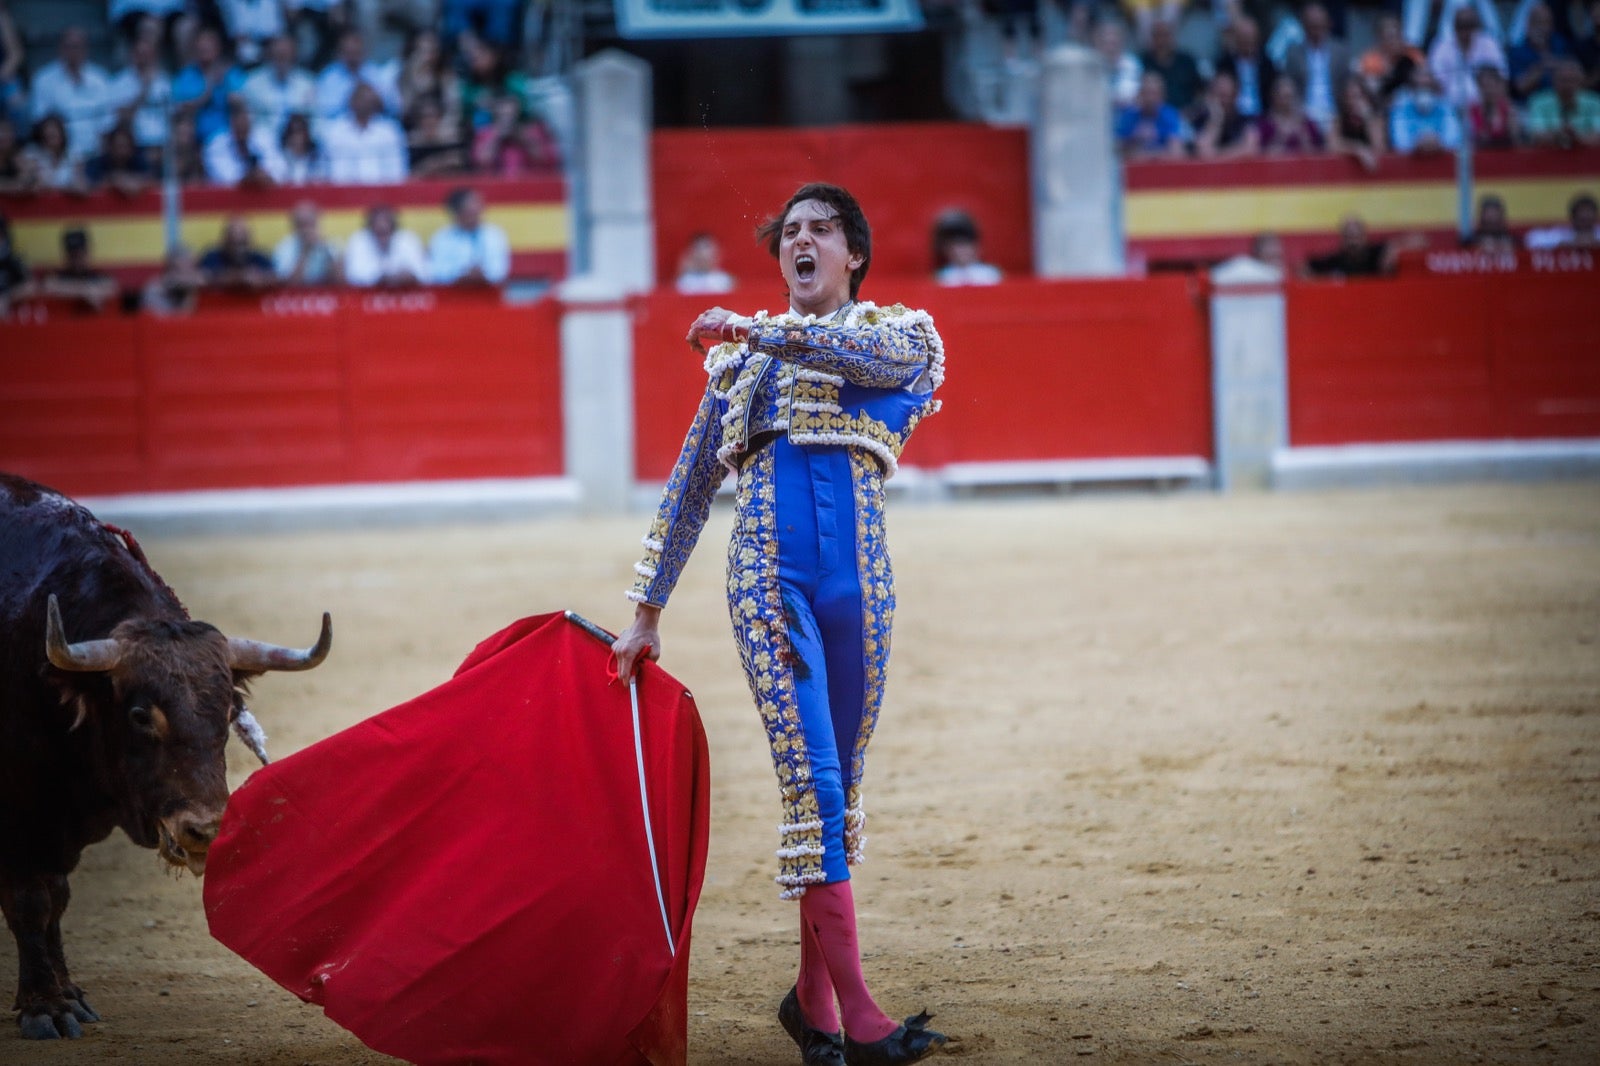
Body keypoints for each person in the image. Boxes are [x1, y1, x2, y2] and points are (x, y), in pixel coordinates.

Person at [610, 181, 948, 1066]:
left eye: (820, 230)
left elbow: (865, 364)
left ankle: (812, 1004)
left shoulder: (901, 337)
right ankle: (864, 1019)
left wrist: (755, 328)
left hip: (861, 589)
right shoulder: (739, 372)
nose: (801, 241)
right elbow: (687, 492)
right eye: (789, 232)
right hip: (770, 577)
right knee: (816, 787)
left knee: (839, 802)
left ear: (853, 254)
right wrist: (645, 614)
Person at [30, 27, 114, 162]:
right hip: (59, 156)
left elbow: (108, 122)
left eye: (77, 47)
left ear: (86, 49)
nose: (73, 52)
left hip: (96, 155)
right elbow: (41, 121)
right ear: (61, 48)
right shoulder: (44, 80)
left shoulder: (100, 78)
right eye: (69, 47)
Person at [108, 27, 174, 165]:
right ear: (132, 54)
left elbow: (172, 117)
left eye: (147, 54)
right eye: (140, 54)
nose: (143, 59)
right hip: (133, 150)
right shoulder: (119, 83)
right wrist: (143, 91)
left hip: (163, 147)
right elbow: (122, 118)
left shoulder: (164, 82)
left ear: (154, 55)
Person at [173, 27, 249, 144]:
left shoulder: (230, 72)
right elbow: (179, 108)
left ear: (218, 48)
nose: (205, 50)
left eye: (209, 47)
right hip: (195, 139)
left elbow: (241, 101)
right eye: (201, 48)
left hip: (228, 138)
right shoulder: (186, 75)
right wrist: (207, 92)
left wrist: (225, 86)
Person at [1281, 2, 1351, 126]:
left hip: (1335, 112)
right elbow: (1289, 85)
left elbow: (1347, 83)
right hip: (1303, 112)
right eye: (1312, 26)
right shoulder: (1294, 53)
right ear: (1304, 26)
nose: (1316, 31)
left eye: (1319, 26)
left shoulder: (1340, 51)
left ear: (1327, 24)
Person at [324, 81, 408, 183]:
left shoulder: (389, 131)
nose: (365, 104)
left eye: (369, 100)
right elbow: (331, 171)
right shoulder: (335, 132)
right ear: (351, 101)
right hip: (344, 192)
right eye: (361, 99)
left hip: (383, 192)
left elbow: (397, 170)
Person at [314, 28, 401, 122]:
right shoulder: (329, 77)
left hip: (373, 124)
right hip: (339, 126)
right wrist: (356, 99)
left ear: (364, 52)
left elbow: (394, 106)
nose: (353, 58)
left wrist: (377, 100)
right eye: (349, 53)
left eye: (356, 53)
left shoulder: (375, 74)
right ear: (340, 53)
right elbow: (323, 109)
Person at [1429, 6, 1508, 109]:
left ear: (1477, 26)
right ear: (1454, 27)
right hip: (1449, 108)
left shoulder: (1489, 44)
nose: (1465, 31)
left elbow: (1502, 78)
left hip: (1484, 108)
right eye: (1461, 26)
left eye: (1470, 26)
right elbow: (1434, 81)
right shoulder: (1441, 47)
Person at [427, 186, 509, 285]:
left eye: (478, 207)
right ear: (457, 212)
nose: (476, 211)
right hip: (452, 294)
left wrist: (482, 275)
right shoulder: (442, 238)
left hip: (488, 292)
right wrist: (461, 275)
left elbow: (499, 270)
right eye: (470, 209)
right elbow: (437, 271)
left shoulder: (494, 234)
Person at [241, 34, 316, 135]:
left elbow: (315, 120)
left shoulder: (307, 83)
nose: (282, 59)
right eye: (278, 55)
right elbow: (249, 120)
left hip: (299, 142)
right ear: (270, 55)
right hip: (264, 140)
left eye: (285, 55)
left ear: (294, 55)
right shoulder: (253, 83)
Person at [471, 94, 560, 177]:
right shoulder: (484, 134)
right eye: (503, 114)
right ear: (495, 112)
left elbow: (544, 159)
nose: (507, 119)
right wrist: (497, 138)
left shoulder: (532, 131)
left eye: (511, 114)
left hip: (529, 184)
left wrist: (524, 139)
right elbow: (482, 162)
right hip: (496, 185)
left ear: (518, 111)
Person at [343, 202, 428, 286]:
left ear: (393, 226)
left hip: (407, 294)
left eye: (386, 224)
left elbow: (423, 274)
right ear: (370, 226)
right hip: (368, 295)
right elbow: (353, 276)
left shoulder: (408, 239)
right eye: (378, 226)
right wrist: (380, 278)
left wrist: (409, 276)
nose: (382, 226)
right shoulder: (359, 241)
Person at [38, 227, 119, 311]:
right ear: (66, 255)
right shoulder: (56, 276)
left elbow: (111, 287)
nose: (77, 259)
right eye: (73, 255)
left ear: (87, 252)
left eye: (80, 254)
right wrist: (85, 291)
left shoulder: (99, 276)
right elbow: (47, 286)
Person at [205, 99, 281, 186]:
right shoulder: (215, 145)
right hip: (226, 198)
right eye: (237, 118)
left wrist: (264, 175)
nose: (241, 124)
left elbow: (279, 169)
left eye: (244, 118)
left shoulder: (265, 138)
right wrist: (250, 177)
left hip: (264, 192)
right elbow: (225, 178)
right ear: (230, 121)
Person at [1525, 58, 1600, 145]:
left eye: (1572, 80)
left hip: (1586, 156)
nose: (1567, 85)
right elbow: (1535, 135)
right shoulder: (1538, 102)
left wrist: (1576, 138)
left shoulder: (1595, 102)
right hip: (1549, 155)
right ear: (1553, 81)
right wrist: (1557, 135)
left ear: (1581, 81)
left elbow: (1598, 136)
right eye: (1563, 80)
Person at [1214, 15, 1277, 118]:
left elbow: (1273, 91)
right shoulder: (1225, 63)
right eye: (1244, 38)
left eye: (1251, 38)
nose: (1248, 42)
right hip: (1232, 117)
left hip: (1263, 116)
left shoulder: (1267, 64)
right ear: (1236, 39)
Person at [1389, 67, 1464, 152]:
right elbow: (1400, 144)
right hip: (1411, 162)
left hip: (1442, 160)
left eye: (1427, 87)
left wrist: (1438, 143)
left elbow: (1454, 141)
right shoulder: (1400, 108)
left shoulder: (1446, 107)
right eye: (1419, 87)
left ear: (1434, 87)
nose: (1424, 93)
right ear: (1411, 88)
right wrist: (1417, 144)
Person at [1116, 72, 1189, 158]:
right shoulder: (1129, 116)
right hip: (1134, 168)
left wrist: (1149, 154)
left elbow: (1177, 152)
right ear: (1140, 94)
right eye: (1146, 93)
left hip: (1162, 168)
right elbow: (1117, 149)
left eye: (1154, 93)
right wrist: (1134, 138)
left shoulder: (1170, 115)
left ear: (1162, 96)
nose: (1150, 98)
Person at [1508, 2, 1571, 101]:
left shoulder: (1561, 45)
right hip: (1528, 107)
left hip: (1560, 103)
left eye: (1546, 22)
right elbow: (1521, 87)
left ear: (1552, 25)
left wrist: (1554, 63)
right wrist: (1542, 66)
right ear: (1528, 24)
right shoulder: (1517, 52)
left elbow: (1574, 74)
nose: (1542, 27)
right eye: (1537, 22)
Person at [1302, 214, 1399, 277]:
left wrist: (1391, 253)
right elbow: (1305, 268)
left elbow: (1402, 244)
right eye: (1349, 237)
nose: (1353, 243)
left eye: (1357, 237)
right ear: (1342, 239)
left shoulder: (1378, 255)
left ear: (1364, 237)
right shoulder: (1335, 261)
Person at [1191, 71, 1260, 158]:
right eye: (1218, 96)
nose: (1223, 101)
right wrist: (1216, 118)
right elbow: (1203, 151)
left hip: (1238, 170)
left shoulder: (1245, 119)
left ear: (1236, 95)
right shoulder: (1199, 119)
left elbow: (1251, 149)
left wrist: (1216, 153)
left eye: (1227, 96)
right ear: (1210, 96)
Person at [1140, 18, 1203, 112]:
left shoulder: (1187, 61)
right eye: (1158, 36)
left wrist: (1193, 111)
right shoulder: (1143, 62)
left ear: (1172, 37)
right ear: (1152, 38)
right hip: (1154, 118)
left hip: (1187, 116)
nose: (1162, 41)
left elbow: (1200, 93)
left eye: (1165, 35)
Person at [1359, 13, 1425, 101]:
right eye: (1390, 37)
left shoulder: (1414, 54)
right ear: (1380, 39)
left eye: (1398, 35)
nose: (1395, 41)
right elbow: (1371, 90)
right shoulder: (1370, 60)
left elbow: (1425, 80)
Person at [273, 200, 341, 285]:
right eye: (302, 224)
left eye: (310, 223)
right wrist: (305, 251)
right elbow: (288, 284)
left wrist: (326, 250)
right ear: (294, 226)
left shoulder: (330, 244)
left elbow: (340, 281)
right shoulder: (284, 247)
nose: (307, 229)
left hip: (325, 296)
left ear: (317, 222)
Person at [200, 215, 277, 289]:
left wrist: (261, 278)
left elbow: (274, 277)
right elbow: (200, 277)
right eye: (234, 243)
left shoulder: (260, 258)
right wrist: (237, 278)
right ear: (225, 239)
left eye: (243, 242)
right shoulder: (212, 257)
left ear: (250, 239)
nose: (239, 249)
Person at [931, 210, 1002, 285]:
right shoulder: (940, 278)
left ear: (976, 246)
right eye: (953, 246)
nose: (959, 251)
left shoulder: (991, 274)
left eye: (964, 244)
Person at [1257, 78, 1327, 155]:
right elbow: (1257, 153)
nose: (1287, 102)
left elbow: (1319, 151)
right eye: (1284, 97)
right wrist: (1280, 138)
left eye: (1290, 97)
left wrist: (1303, 135)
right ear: (1274, 98)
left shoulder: (1307, 123)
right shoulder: (1265, 125)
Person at [406, 93, 469, 177]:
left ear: (440, 117)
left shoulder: (452, 139)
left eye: (432, 116)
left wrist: (431, 164)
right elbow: (412, 172)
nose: (429, 120)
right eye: (424, 117)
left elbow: (459, 161)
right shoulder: (411, 143)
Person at [1329, 79, 1387, 170]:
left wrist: (1368, 119)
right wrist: (1358, 149)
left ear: (1366, 98)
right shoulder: (1339, 118)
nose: (1353, 102)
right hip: (1343, 172)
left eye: (1357, 97)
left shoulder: (1375, 118)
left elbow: (1379, 147)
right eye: (1349, 97)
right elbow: (1333, 145)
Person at [85, 122, 156, 195]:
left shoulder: (138, 161)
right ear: (110, 146)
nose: (122, 151)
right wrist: (113, 179)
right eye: (119, 146)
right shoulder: (96, 163)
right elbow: (88, 183)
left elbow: (150, 179)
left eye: (126, 146)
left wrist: (132, 180)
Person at [22, 114, 86, 192]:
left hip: (66, 202)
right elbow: (27, 185)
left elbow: (81, 186)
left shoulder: (73, 154)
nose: (52, 134)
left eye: (55, 132)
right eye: (49, 133)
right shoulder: (31, 154)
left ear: (62, 134)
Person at [141, 243, 205, 315]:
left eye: (193, 263)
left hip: (179, 322)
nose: (192, 267)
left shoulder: (190, 282)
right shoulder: (155, 285)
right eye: (188, 262)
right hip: (157, 322)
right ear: (174, 264)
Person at [1093, 19, 1143, 109]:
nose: (1110, 48)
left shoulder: (1132, 63)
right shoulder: (1092, 66)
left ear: (1121, 43)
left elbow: (1133, 94)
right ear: (1098, 45)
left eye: (1114, 43)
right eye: (1106, 43)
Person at [268, 111, 329, 183]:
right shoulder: (279, 159)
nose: (297, 137)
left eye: (301, 132)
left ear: (307, 134)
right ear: (287, 135)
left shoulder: (317, 159)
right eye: (294, 132)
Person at [220, 0, 287, 67]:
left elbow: (275, 33)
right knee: (246, 51)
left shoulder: (271, 3)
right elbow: (239, 36)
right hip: (245, 53)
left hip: (269, 47)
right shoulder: (230, 3)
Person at [1469, 64, 1521, 147]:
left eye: (1491, 85)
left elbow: (1516, 142)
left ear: (1499, 86)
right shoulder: (1473, 111)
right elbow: (1471, 143)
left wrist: (1512, 126)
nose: (1488, 90)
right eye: (1484, 86)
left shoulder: (1509, 109)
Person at [1525, 190, 1599, 247]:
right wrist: (1569, 243)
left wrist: (1595, 243)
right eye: (1582, 219)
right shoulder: (1562, 235)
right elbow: (1532, 239)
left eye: (1587, 218)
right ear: (1573, 217)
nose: (1584, 217)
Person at [0, 212, 31, 314]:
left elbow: (30, 287)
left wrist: (8, 297)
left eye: (0, 236)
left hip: (11, 319)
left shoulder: (14, 264)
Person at [0, 116, 40, 194]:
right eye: (1, 132)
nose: (3, 136)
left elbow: (29, 185)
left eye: (7, 132)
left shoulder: (20, 158)